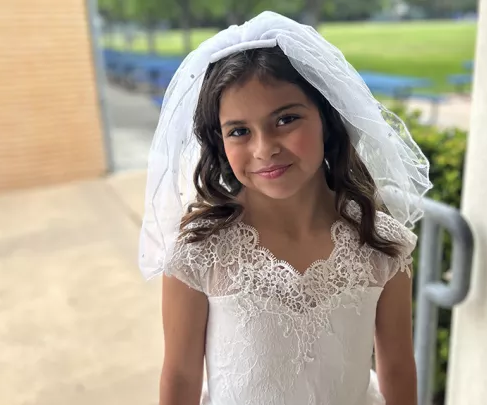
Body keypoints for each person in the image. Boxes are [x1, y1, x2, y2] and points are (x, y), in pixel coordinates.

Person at [138, 11, 432, 405]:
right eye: (239, 131)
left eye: (286, 119)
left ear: (327, 119)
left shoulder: (380, 244)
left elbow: (397, 366)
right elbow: (179, 377)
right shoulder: (197, 253)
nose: (265, 149)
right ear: (219, 141)